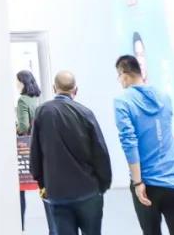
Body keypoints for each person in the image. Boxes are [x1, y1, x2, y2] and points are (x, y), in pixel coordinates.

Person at [113, 54, 174, 235]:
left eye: (118, 77)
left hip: (147, 184)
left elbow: (129, 143)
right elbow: (167, 143)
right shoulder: (164, 97)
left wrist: (138, 182)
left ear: (124, 74)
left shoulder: (122, 101)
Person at [29, 70, 112, 235]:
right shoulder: (85, 113)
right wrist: (103, 184)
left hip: (57, 192)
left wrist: (42, 183)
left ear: (54, 88)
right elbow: (100, 152)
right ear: (76, 90)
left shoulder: (42, 112)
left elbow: (35, 154)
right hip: (88, 191)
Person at [15, 69, 43, 230]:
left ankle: (20, 228)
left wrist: (15, 127)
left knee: (20, 191)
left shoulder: (22, 101)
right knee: (44, 188)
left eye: (17, 81)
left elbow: (24, 126)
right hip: (40, 146)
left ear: (22, 83)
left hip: (26, 148)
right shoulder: (37, 99)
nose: (16, 84)